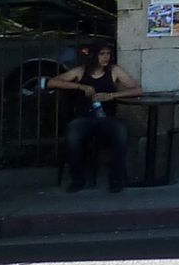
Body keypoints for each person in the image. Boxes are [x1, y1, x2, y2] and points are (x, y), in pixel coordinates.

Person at [49, 42, 142, 192]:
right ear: (94, 56)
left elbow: (137, 90)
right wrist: (80, 86)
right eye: (102, 54)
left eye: (108, 54)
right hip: (84, 117)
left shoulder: (113, 70)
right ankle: (77, 179)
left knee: (120, 132)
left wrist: (112, 95)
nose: (106, 57)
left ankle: (116, 179)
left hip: (106, 117)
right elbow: (52, 82)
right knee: (73, 136)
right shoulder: (81, 71)